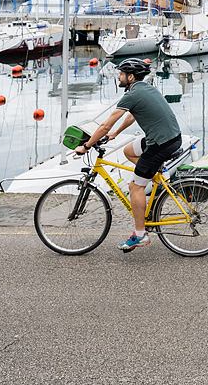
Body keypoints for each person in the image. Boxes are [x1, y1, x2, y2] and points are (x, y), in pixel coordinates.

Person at [76, 57, 183, 252]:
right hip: (168, 138)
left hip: (161, 144)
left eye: (121, 74)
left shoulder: (132, 95)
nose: (119, 77)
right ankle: (153, 181)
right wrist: (116, 133)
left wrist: (87, 145)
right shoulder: (146, 89)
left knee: (135, 187)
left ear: (130, 77)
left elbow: (105, 125)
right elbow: (133, 115)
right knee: (128, 151)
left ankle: (140, 234)